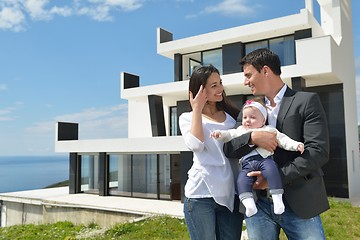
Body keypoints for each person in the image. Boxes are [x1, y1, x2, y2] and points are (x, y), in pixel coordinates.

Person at [223, 48, 330, 240]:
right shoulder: (249, 109)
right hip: (258, 205)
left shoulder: (306, 101)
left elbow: (317, 151)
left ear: (265, 71)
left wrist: (274, 178)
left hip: (299, 202)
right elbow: (229, 147)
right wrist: (252, 138)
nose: (245, 81)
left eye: (248, 75)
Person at [179, 64, 243, 240]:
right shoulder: (187, 118)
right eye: (214, 85)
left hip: (231, 193)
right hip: (200, 195)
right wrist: (197, 110)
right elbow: (196, 145)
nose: (220, 88)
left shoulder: (233, 117)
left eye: (220, 83)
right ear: (200, 90)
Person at [211, 97, 304, 218]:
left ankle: (277, 199)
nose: (247, 121)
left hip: (265, 160)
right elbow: (229, 135)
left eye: (252, 117)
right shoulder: (241, 130)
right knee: (241, 181)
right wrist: (219, 134)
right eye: (245, 117)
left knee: (272, 171)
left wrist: (296, 145)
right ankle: (249, 205)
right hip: (246, 165)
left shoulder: (269, 129)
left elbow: (283, 140)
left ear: (263, 120)